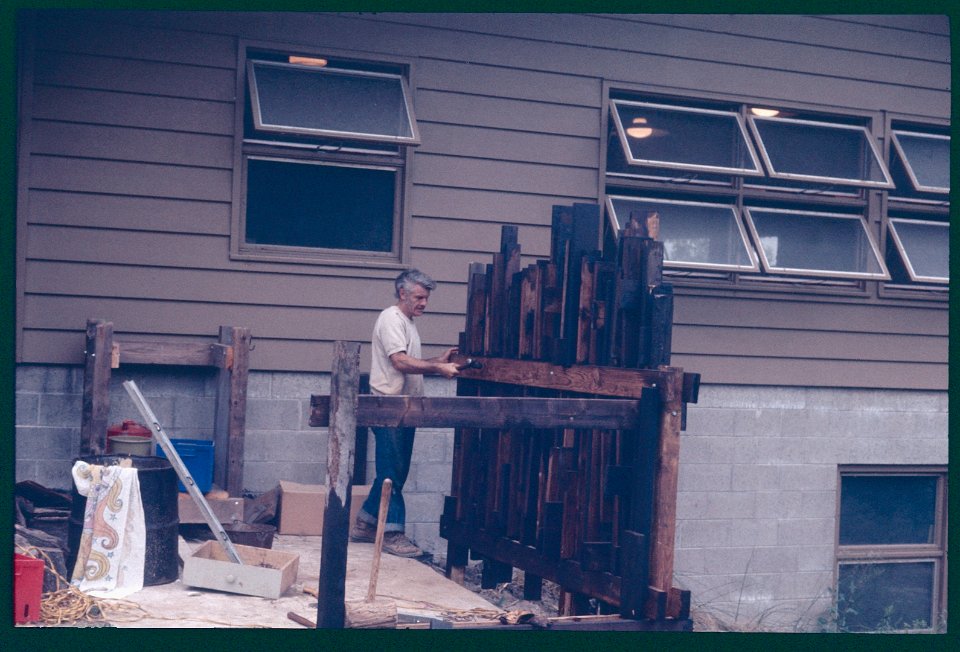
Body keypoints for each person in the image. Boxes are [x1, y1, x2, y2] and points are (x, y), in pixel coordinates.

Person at [349, 269, 460, 557]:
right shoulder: (390, 319)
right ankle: (392, 533)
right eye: (419, 297)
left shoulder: (407, 322)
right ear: (403, 294)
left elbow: (409, 361)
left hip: (404, 406)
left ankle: (365, 523)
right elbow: (398, 362)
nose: (424, 303)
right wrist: (437, 368)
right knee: (391, 474)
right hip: (388, 405)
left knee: (393, 470)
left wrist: (438, 360)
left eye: (426, 298)